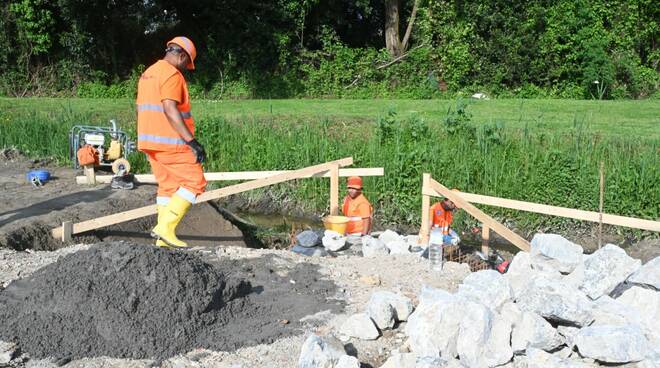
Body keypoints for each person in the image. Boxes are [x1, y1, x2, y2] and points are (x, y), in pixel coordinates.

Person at [136, 36, 207, 248]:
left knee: (168, 187)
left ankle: (162, 240)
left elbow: (140, 107)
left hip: (149, 141)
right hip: (171, 142)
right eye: (187, 63)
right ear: (182, 55)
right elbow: (169, 108)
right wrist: (192, 142)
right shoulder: (171, 74)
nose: (186, 68)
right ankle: (165, 228)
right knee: (195, 181)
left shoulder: (148, 73)